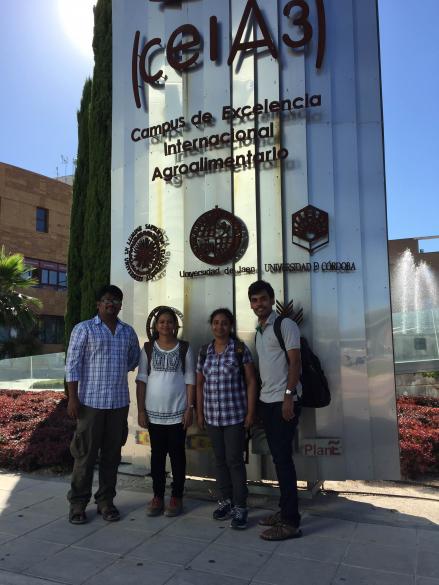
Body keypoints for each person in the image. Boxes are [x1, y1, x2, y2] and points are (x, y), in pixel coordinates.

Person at [65, 285, 140, 524]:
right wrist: (72, 398)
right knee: (84, 456)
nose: (111, 304)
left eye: (116, 300)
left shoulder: (128, 332)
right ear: (98, 304)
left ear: (120, 305)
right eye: (107, 300)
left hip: (118, 405)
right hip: (90, 405)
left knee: (111, 456)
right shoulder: (83, 329)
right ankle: (78, 504)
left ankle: (106, 502)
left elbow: (132, 360)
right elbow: (72, 365)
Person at [248, 280, 302, 540]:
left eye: (263, 299)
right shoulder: (259, 330)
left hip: (284, 401)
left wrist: (289, 397)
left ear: (271, 299)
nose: (259, 304)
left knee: (283, 461)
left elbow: (295, 362)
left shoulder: (285, 325)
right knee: (279, 460)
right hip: (268, 402)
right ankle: (284, 511)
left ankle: (291, 522)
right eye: (255, 300)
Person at [196, 308, 257, 530]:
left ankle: (241, 507)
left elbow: (251, 381)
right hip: (212, 417)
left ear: (230, 326)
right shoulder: (205, 352)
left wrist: (251, 413)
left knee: (235, 461)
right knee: (219, 461)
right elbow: (200, 384)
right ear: (211, 325)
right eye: (215, 322)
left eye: (224, 323)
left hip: (235, 417)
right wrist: (200, 413)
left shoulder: (239, 349)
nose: (219, 327)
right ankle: (226, 501)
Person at [136, 307, 196, 517]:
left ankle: (177, 497)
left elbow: (190, 380)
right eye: (161, 322)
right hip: (154, 414)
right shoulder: (148, 348)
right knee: (157, 457)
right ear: (156, 325)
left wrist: (189, 409)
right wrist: (141, 411)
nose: (165, 325)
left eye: (169, 321)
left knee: (178, 456)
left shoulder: (185, 348)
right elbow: (141, 380)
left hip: (178, 413)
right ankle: (158, 496)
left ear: (175, 325)